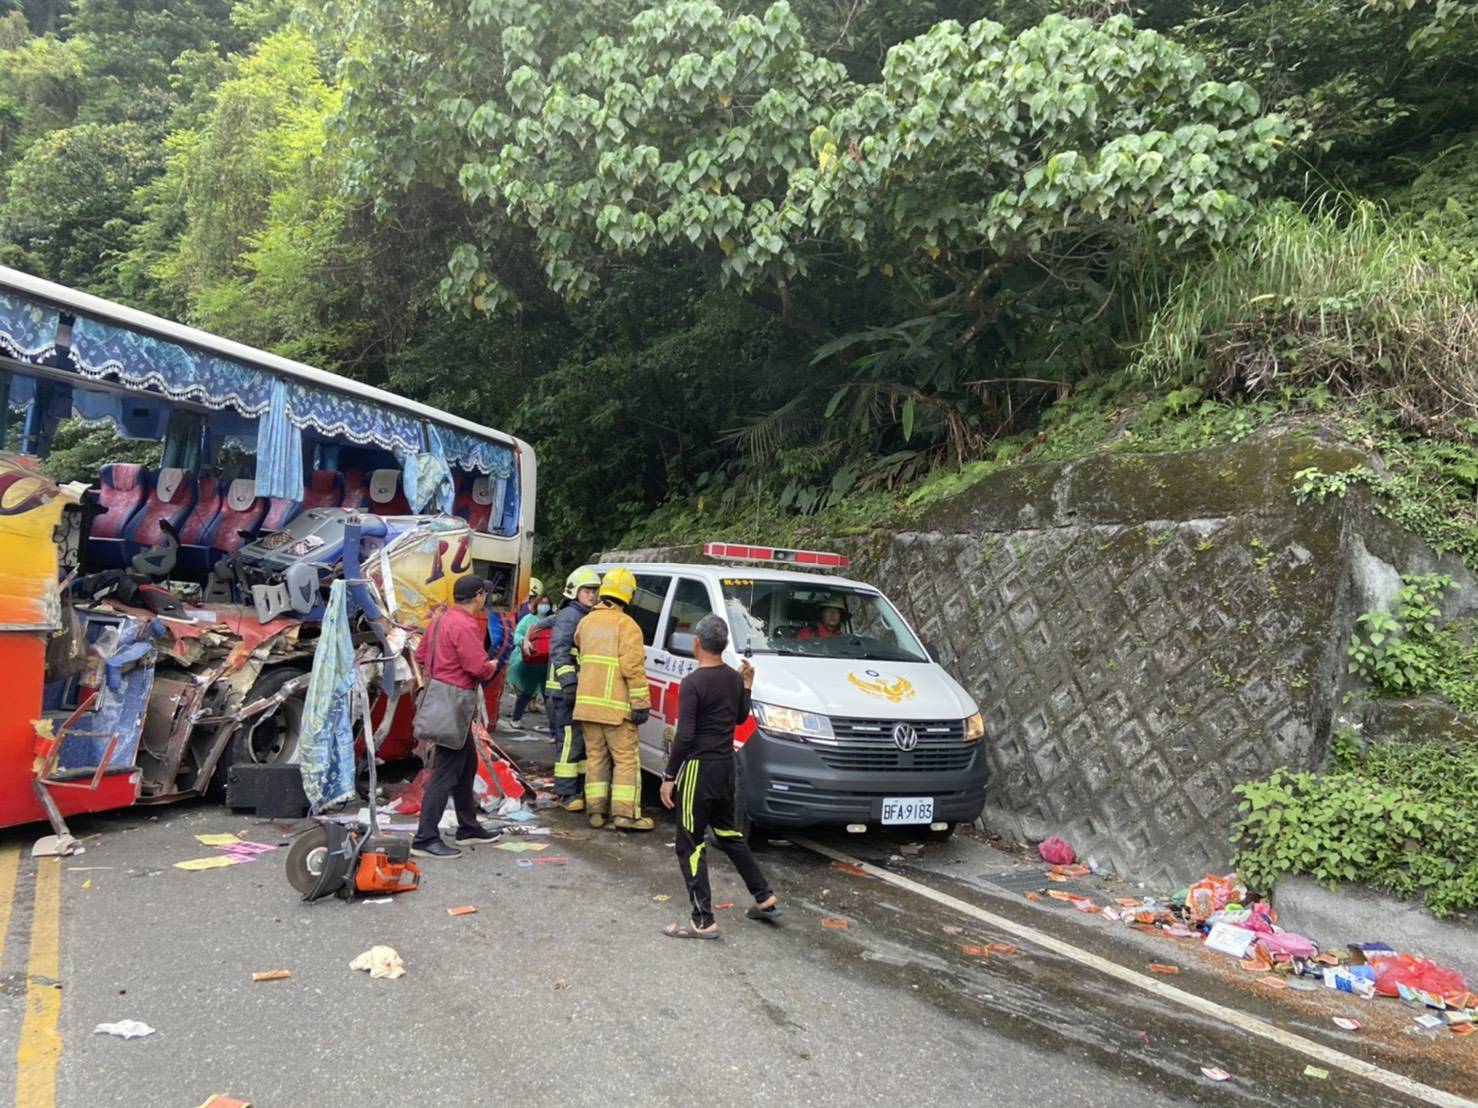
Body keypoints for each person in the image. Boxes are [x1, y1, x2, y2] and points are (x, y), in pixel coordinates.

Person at [659, 614, 781, 939]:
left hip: (699, 769)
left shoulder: (694, 683)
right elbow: (741, 716)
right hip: (726, 766)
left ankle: (703, 920)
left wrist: (670, 775)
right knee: (728, 833)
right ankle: (764, 896)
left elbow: (684, 736)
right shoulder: (731, 678)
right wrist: (747, 686)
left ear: (696, 643)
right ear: (725, 645)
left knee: (690, 844)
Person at [411, 574, 502, 859]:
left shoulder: (440, 620)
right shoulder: (465, 624)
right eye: (484, 594)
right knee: (446, 772)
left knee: (466, 766)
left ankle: (468, 826)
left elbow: (422, 656)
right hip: (455, 703)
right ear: (478, 596)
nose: (485, 599)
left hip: (439, 698)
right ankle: (425, 838)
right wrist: (492, 666)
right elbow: (476, 666)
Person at [573, 567, 653, 830]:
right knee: (625, 760)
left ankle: (595, 813)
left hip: (587, 707)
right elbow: (633, 668)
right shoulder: (627, 625)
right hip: (617, 710)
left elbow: (580, 648)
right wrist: (641, 703)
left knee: (595, 757)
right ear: (629, 595)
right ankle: (624, 815)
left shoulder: (586, 622)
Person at [546, 567, 600, 809]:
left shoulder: (583, 614)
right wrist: (568, 683)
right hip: (564, 690)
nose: (593, 595)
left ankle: (575, 787)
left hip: (577, 689)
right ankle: (566, 793)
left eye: (595, 591)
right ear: (574, 592)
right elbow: (559, 650)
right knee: (568, 740)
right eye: (588, 591)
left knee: (577, 740)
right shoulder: (571, 616)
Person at [507, 593, 553, 730]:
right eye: (541, 603)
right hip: (531, 662)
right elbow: (517, 635)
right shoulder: (528, 619)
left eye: (547, 604)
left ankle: (554, 730)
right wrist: (524, 642)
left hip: (547, 663)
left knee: (548, 696)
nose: (544, 606)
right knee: (527, 692)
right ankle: (516, 719)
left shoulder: (553, 620)